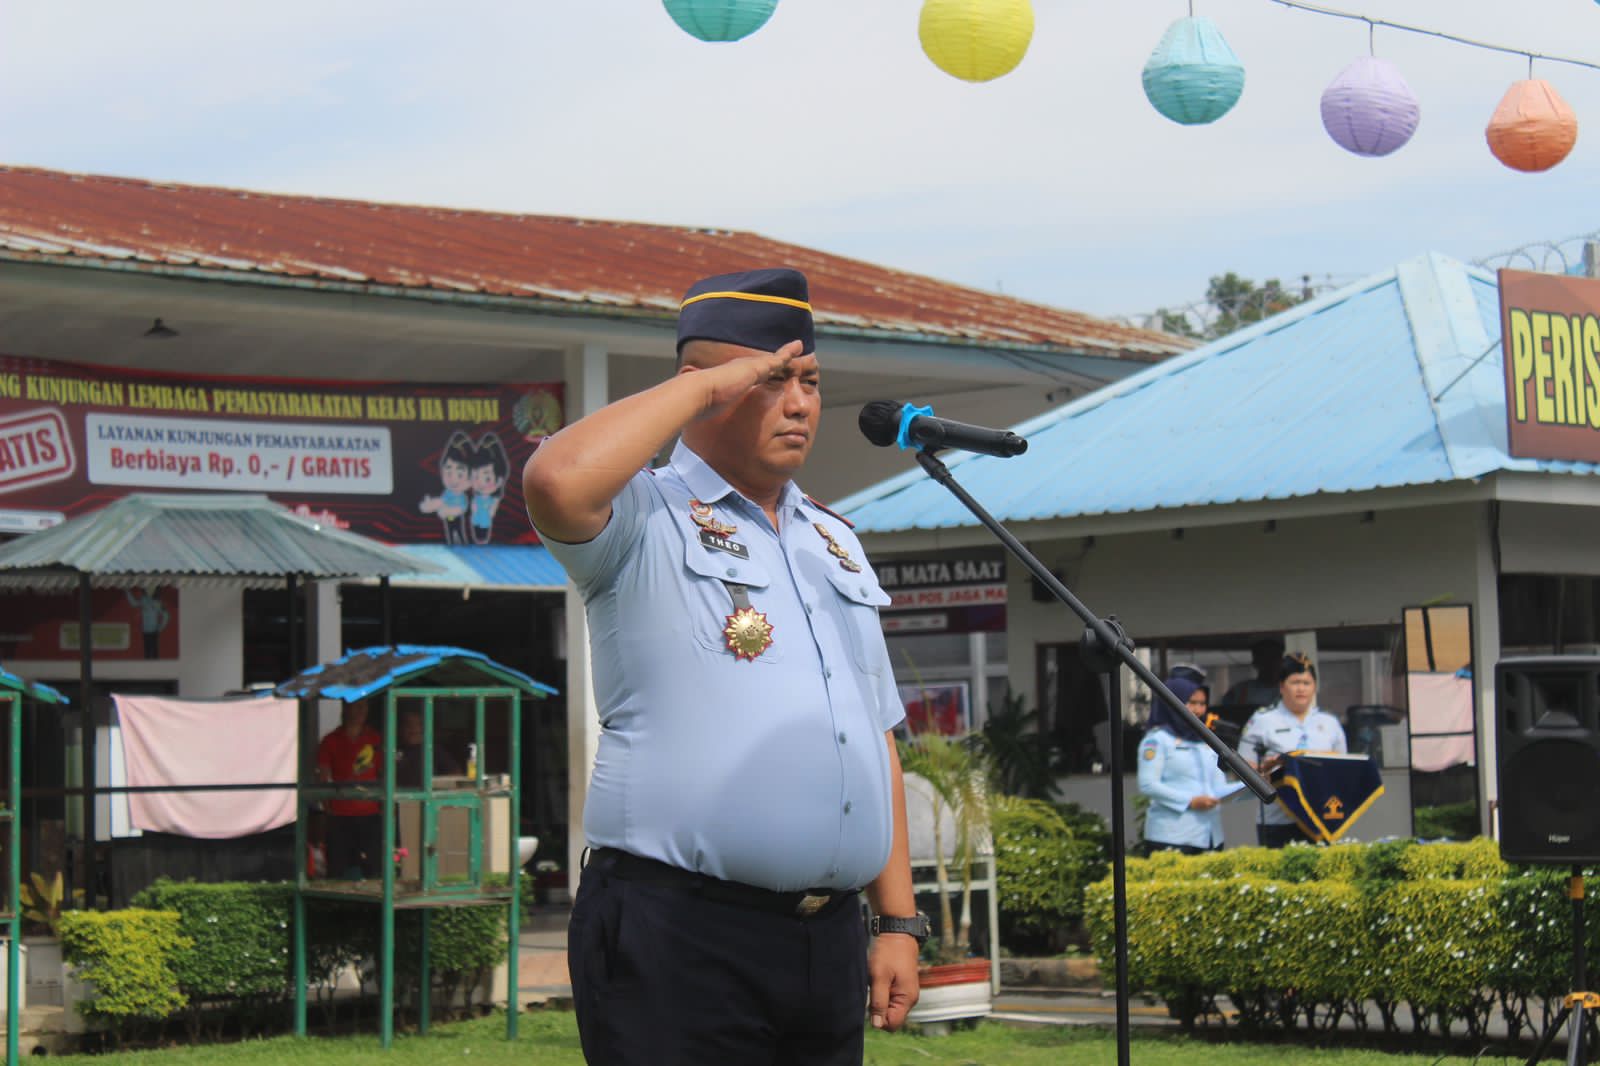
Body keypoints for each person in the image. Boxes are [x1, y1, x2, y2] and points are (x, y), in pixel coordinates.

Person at [522, 267, 923, 1064]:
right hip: (680, 931)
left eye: (810, 380)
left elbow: (873, 733)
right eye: (774, 381)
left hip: (826, 936)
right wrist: (712, 386)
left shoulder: (833, 542)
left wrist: (899, 923)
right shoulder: (644, 513)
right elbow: (554, 480)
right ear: (702, 384)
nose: (802, 404)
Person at [1239, 651, 1347, 848]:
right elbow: (1244, 768)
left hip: (1321, 818)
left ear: (1315, 687)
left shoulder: (1329, 723)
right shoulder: (1262, 721)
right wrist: (1265, 768)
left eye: (1306, 683)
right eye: (1295, 682)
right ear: (1281, 686)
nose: (1301, 689)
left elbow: (1342, 770)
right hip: (1277, 819)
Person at [1137, 672, 1228, 855]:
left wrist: (1251, 783)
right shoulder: (1158, 740)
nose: (1198, 710)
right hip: (1172, 836)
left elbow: (1218, 786)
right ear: (1173, 703)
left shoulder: (1208, 740)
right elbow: (1148, 784)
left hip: (1210, 835)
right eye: (1192, 703)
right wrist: (1190, 801)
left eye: (1202, 704)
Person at [315, 699, 382, 879]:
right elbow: (323, 776)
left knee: (374, 867)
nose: (361, 711)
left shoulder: (375, 738)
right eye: (357, 706)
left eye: (365, 706)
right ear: (346, 708)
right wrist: (327, 807)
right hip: (340, 815)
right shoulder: (330, 741)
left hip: (370, 814)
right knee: (337, 866)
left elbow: (385, 773)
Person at [394, 707, 464, 788]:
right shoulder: (397, 750)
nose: (414, 729)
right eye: (408, 725)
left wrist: (438, 787)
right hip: (399, 797)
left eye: (419, 724)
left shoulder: (433, 750)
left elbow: (456, 773)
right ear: (400, 728)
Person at [1222, 637, 1286, 712]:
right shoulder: (1241, 691)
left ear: (1282, 662)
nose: (1271, 664)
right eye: (1265, 659)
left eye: (1275, 658)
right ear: (1256, 663)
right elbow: (1226, 715)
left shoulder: (1292, 689)